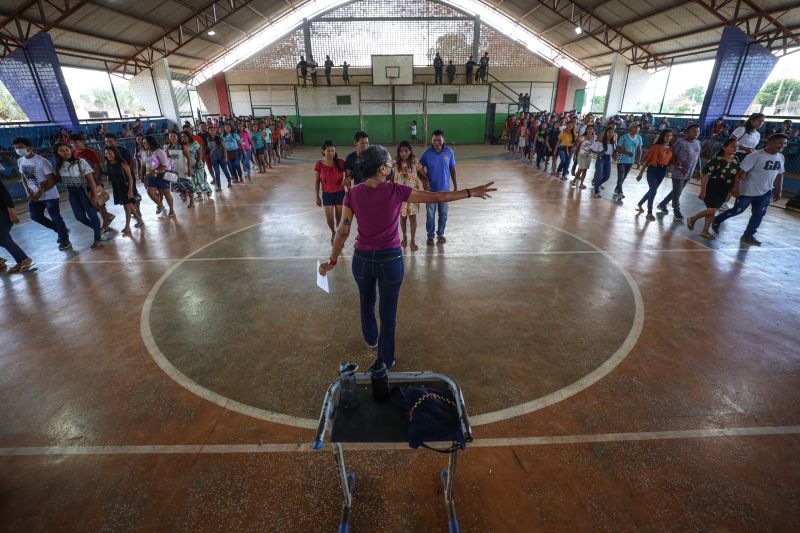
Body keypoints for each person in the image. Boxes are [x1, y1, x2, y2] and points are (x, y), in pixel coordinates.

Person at [318, 145, 495, 370]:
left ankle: (371, 339)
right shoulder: (396, 190)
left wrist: (332, 260)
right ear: (382, 169)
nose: (392, 166)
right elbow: (438, 196)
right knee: (388, 311)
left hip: (362, 260)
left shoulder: (352, 193)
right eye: (390, 164)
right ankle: (385, 358)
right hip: (390, 260)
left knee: (366, 301)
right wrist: (471, 192)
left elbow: (343, 230)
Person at [712, 134, 787, 246]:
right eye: (779, 142)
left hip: (765, 192)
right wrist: (735, 188)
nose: (782, 145)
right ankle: (717, 220)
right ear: (770, 142)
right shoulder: (756, 156)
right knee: (738, 210)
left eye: (785, 143)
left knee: (759, 213)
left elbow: (780, 174)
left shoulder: (780, 157)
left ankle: (748, 235)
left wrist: (779, 189)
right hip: (747, 191)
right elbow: (740, 173)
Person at [13, 137, 71, 250]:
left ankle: (65, 240)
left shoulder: (42, 161)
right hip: (34, 195)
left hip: (49, 195)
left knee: (55, 216)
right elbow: (24, 178)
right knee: (35, 216)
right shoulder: (20, 161)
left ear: (29, 147)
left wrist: (40, 193)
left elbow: (51, 180)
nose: (18, 150)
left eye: (20, 147)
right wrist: (28, 191)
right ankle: (60, 230)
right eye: (15, 148)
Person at [686, 138, 739, 239]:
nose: (735, 148)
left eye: (737, 146)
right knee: (711, 210)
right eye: (732, 146)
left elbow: (734, 177)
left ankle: (705, 231)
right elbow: (705, 175)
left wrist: (730, 191)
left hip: (725, 188)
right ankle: (693, 218)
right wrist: (703, 190)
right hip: (713, 187)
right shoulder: (715, 160)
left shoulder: (736, 160)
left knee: (713, 210)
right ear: (724, 147)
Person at [53, 143, 104, 248]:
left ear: (70, 150)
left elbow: (91, 181)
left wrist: (95, 196)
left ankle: (97, 238)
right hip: (72, 193)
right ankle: (98, 229)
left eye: (66, 149)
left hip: (84, 191)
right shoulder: (59, 166)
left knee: (92, 215)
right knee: (79, 217)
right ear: (57, 153)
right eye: (61, 150)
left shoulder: (80, 162)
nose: (65, 152)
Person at [656, 123, 701, 221]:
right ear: (687, 132)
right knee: (678, 193)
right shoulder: (681, 143)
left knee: (676, 191)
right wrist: (680, 167)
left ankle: (662, 204)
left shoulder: (698, 143)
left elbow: (698, 157)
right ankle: (677, 211)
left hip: (689, 173)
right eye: (694, 131)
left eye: (698, 131)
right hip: (679, 173)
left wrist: (699, 170)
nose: (696, 133)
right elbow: (672, 156)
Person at [419, 130, 457, 245]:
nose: (437, 142)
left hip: (444, 191)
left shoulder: (449, 152)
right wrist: (425, 181)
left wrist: (455, 185)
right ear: (432, 140)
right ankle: (430, 236)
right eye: (434, 140)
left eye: (439, 140)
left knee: (443, 215)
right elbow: (419, 169)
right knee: (430, 215)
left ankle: (441, 234)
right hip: (431, 192)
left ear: (443, 140)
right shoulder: (426, 154)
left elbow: (452, 169)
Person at [70, 133, 112, 232]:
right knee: (92, 204)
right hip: (82, 184)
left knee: (100, 204)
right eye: (72, 143)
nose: (74, 145)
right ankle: (107, 216)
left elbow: (98, 169)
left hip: (94, 183)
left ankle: (105, 223)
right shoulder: (74, 154)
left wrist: (94, 184)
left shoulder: (91, 153)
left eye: (76, 142)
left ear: (82, 142)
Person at [394, 141, 429, 251]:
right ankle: (404, 237)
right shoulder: (395, 164)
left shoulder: (415, 162)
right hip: (400, 196)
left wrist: (425, 183)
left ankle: (412, 240)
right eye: (401, 151)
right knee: (403, 218)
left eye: (406, 151)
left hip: (413, 195)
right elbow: (390, 179)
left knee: (413, 218)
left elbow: (423, 175)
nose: (403, 153)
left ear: (410, 151)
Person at [104, 145, 143, 235]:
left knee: (127, 207)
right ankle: (140, 220)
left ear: (115, 153)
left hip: (125, 188)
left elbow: (130, 178)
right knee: (129, 206)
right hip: (117, 188)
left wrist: (130, 191)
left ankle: (127, 227)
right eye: (106, 153)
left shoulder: (122, 163)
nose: (108, 155)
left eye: (110, 153)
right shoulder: (109, 164)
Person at [635, 128, 673, 220]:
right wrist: (640, 173)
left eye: (670, 136)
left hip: (662, 171)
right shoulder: (656, 147)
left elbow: (671, 161)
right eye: (667, 135)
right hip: (653, 170)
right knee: (654, 190)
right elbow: (647, 160)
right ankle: (649, 212)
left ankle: (640, 203)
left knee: (652, 190)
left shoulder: (671, 148)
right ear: (663, 136)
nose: (669, 137)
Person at [315, 140, 346, 243]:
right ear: (323, 151)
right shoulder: (319, 164)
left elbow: (350, 174)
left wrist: (348, 179)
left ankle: (338, 235)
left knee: (340, 218)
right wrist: (317, 196)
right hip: (327, 194)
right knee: (329, 218)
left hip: (340, 193)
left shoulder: (341, 163)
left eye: (333, 150)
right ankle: (333, 231)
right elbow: (317, 181)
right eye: (328, 151)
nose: (331, 153)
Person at [0, 179, 33, 273]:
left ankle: (25, 259)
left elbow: (5, 195)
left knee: (2, 239)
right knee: (6, 239)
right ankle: (19, 261)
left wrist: (12, 212)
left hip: (3, 213)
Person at [143, 134, 175, 217]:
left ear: (151, 142)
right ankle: (160, 204)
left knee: (166, 193)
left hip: (162, 175)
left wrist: (155, 171)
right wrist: (143, 172)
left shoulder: (159, 151)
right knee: (150, 192)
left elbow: (164, 165)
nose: (144, 144)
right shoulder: (146, 152)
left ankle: (171, 209)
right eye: (143, 143)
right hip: (151, 176)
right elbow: (144, 163)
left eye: (146, 142)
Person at [613, 123, 643, 200]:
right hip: (622, 159)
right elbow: (618, 148)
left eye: (638, 127)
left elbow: (639, 150)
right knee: (621, 176)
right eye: (635, 127)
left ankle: (617, 188)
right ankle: (620, 192)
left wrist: (638, 161)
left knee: (624, 176)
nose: (637, 129)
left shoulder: (639, 138)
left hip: (631, 161)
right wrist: (626, 152)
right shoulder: (624, 137)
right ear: (631, 128)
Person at [591, 126, 616, 198]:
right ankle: (596, 191)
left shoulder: (613, 142)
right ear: (606, 133)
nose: (610, 134)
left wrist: (615, 156)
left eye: (612, 132)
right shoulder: (601, 141)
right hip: (601, 158)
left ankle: (597, 185)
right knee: (599, 174)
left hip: (608, 159)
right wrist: (598, 153)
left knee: (607, 176)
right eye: (609, 132)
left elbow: (614, 151)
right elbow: (591, 149)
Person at [206, 125, 230, 190]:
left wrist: (226, 158)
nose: (212, 132)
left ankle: (229, 181)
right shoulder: (208, 139)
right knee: (217, 172)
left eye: (213, 130)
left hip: (221, 157)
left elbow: (224, 148)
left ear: (215, 131)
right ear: (209, 132)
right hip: (213, 158)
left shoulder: (219, 138)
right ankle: (219, 186)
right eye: (210, 131)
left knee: (225, 170)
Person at [572, 124, 595, 190]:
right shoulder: (582, 137)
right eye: (588, 129)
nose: (590, 130)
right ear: (586, 130)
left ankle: (581, 183)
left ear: (593, 130)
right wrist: (574, 155)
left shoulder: (594, 137)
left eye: (591, 129)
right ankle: (574, 180)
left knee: (585, 170)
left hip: (589, 156)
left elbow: (596, 145)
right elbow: (577, 147)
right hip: (581, 155)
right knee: (581, 169)